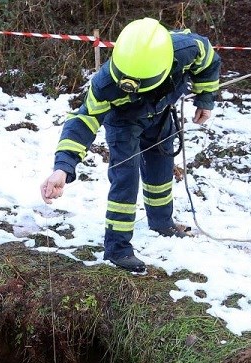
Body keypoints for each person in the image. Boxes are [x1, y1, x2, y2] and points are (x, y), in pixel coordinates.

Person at [40, 18, 221, 274]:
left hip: (160, 113)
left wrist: (205, 97)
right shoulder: (105, 84)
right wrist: (63, 167)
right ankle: (118, 248)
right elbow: (83, 121)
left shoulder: (187, 49)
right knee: (125, 179)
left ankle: (162, 222)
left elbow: (209, 60)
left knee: (161, 168)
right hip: (123, 123)